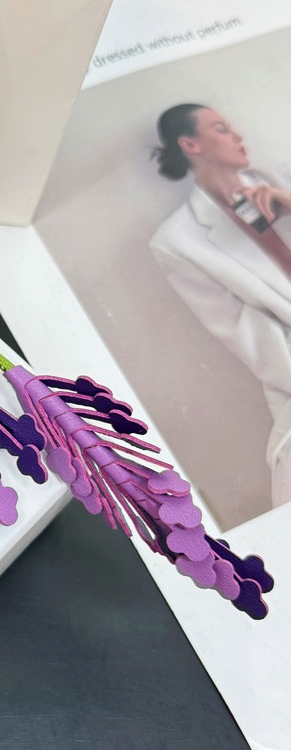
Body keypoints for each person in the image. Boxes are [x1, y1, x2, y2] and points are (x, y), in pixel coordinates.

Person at [150, 104, 291, 508]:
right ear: (191, 144)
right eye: (222, 129)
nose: (238, 135)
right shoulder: (177, 241)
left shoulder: (280, 178)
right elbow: (246, 336)